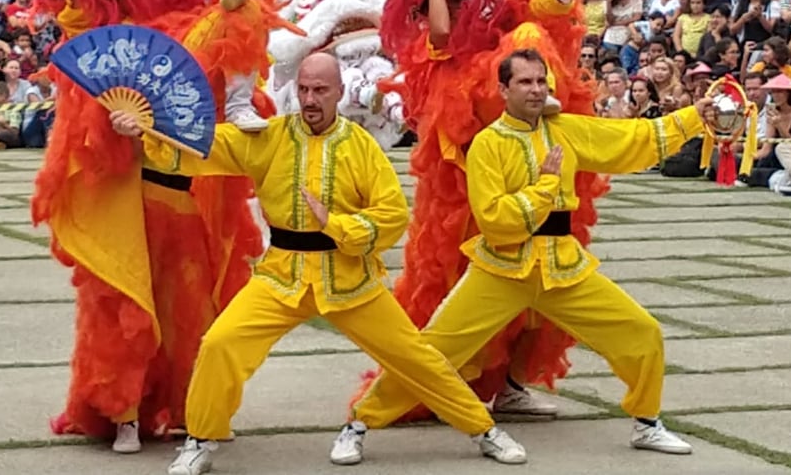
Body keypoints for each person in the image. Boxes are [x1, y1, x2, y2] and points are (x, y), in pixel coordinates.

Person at [112, 54, 527, 474]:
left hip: (349, 279)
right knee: (221, 342)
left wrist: (337, 225)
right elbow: (203, 143)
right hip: (282, 275)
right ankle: (201, 438)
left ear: (340, 92)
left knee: (415, 357)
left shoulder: (360, 146)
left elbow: (391, 215)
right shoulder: (269, 137)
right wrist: (145, 130)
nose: (310, 99)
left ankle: (483, 429)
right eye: (304, 89)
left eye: (321, 90)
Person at [350, 49, 713, 456]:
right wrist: (544, 190)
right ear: (504, 90)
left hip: (562, 269)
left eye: (541, 81)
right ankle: (360, 422)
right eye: (525, 82)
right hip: (501, 270)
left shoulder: (567, 130)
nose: (536, 89)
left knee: (641, 331)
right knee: (434, 349)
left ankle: (646, 422)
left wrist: (694, 117)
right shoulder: (488, 144)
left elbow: (634, 140)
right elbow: (494, 219)